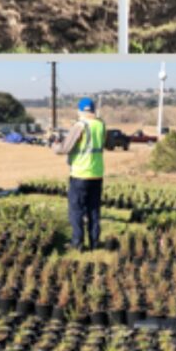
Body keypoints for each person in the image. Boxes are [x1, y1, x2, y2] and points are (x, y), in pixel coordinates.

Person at [54, 97, 106, 249]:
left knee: (76, 210)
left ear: (80, 110)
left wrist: (54, 144)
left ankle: (77, 243)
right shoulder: (101, 125)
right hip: (97, 173)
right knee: (94, 210)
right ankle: (94, 243)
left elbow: (64, 148)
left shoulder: (80, 125)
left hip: (80, 174)